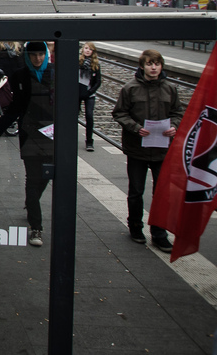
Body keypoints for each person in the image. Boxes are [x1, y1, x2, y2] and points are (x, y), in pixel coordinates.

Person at [112, 49, 182, 252]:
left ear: (161, 66)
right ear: (142, 66)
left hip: (162, 149)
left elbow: (178, 112)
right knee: (136, 191)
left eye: (157, 64)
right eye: (150, 64)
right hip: (137, 149)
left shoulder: (170, 89)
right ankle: (135, 226)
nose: (153, 67)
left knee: (163, 194)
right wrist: (136, 128)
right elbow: (120, 113)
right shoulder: (130, 88)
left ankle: (159, 233)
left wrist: (174, 126)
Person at [11, 42, 55, 248]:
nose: (37, 59)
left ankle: (31, 203)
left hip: (51, 135)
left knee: (44, 177)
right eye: (33, 55)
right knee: (32, 178)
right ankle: (36, 226)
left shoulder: (55, 73)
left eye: (41, 54)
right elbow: (16, 106)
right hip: (29, 134)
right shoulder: (20, 75)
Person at [78, 42, 102, 152]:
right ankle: (71, 138)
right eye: (86, 48)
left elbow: (98, 81)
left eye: (90, 49)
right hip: (77, 93)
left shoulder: (95, 64)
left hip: (89, 94)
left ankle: (89, 141)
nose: (88, 50)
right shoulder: (77, 61)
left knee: (89, 115)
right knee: (73, 116)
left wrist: (90, 91)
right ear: (83, 50)